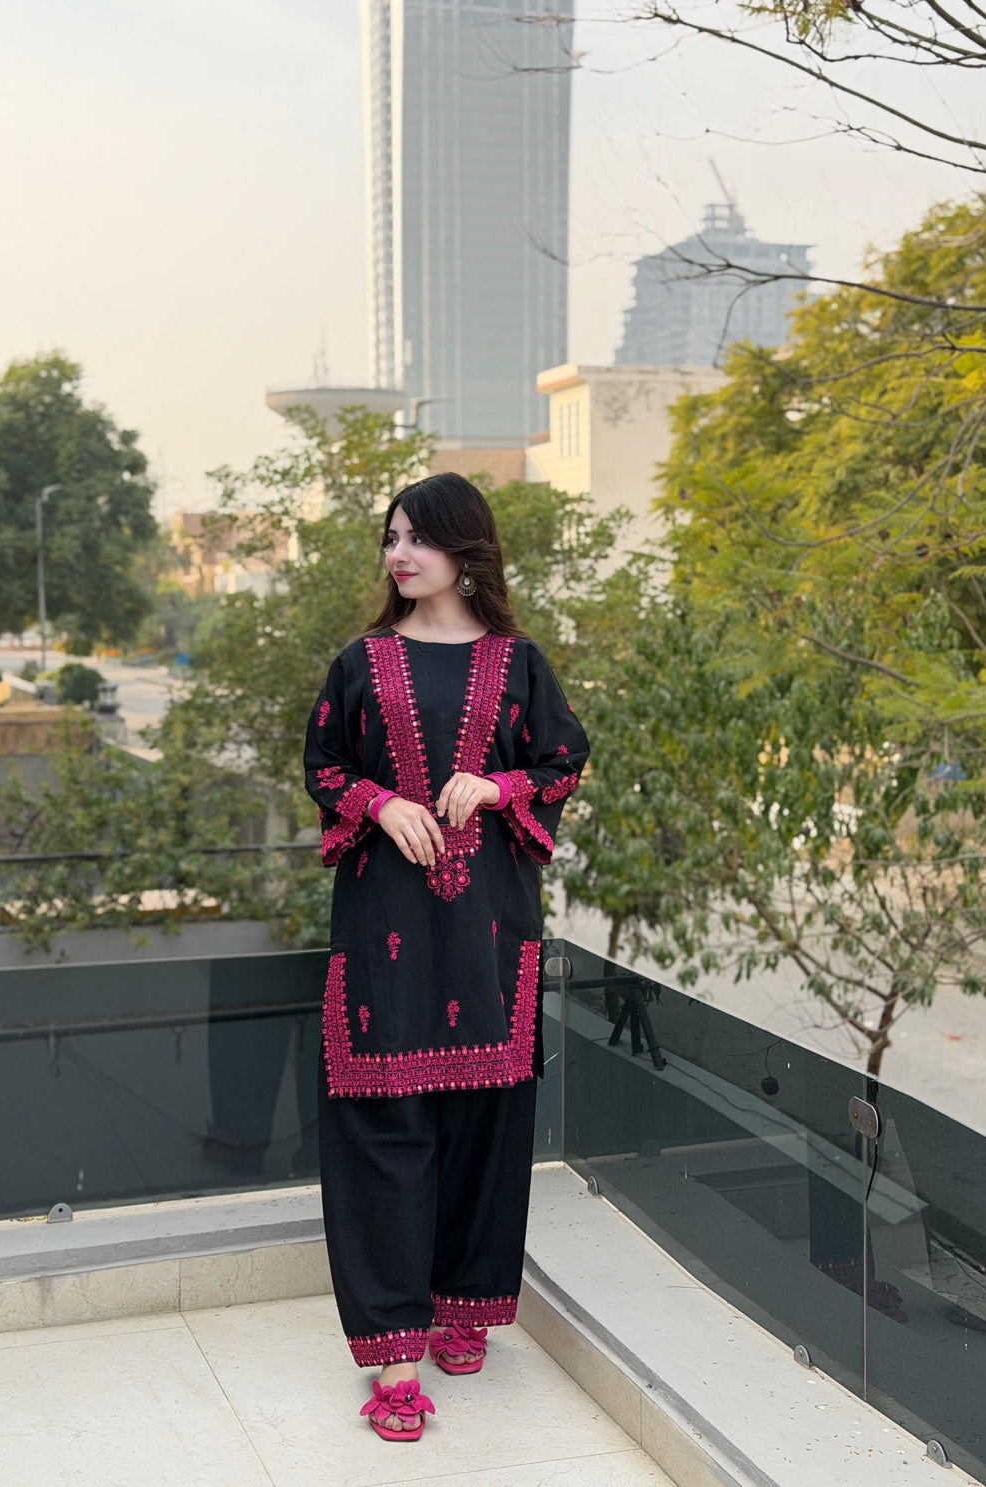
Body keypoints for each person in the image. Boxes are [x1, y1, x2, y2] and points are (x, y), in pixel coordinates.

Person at [303, 471, 589, 1441]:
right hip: (382, 921)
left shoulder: (519, 663)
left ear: (465, 550)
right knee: (381, 1124)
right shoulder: (360, 660)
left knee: (481, 1121)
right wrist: (380, 802)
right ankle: (394, 1352)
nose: (399, 554)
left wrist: (499, 786)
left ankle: (463, 1301)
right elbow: (322, 766)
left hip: (487, 928)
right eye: (390, 538)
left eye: (416, 538)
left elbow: (562, 760)